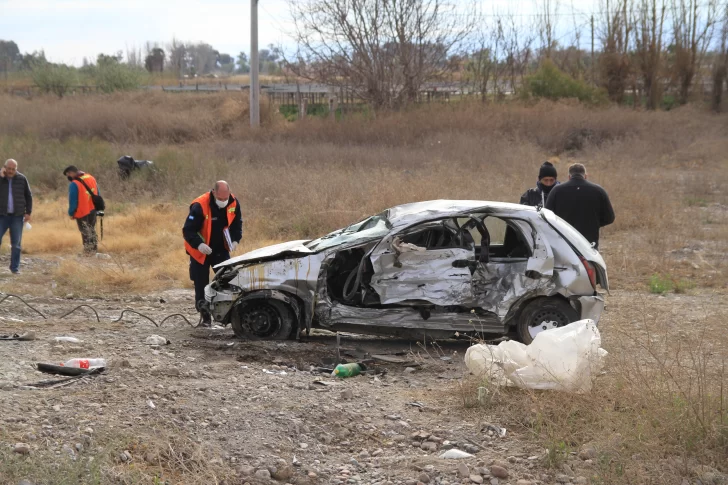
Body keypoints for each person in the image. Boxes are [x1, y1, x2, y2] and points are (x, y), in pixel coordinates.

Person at [183, 181, 243, 327]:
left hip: (220, 250)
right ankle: (205, 319)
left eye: (226, 198)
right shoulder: (199, 205)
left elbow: (237, 224)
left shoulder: (233, 202)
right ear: (214, 193)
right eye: (221, 199)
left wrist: (235, 240)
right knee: (201, 285)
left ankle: (229, 317)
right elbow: (188, 230)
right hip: (200, 252)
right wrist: (199, 244)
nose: (223, 202)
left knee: (228, 280)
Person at [545, 163, 615, 249]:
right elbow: (610, 218)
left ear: (569, 177)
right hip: (589, 242)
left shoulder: (556, 190)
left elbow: (547, 216)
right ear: (585, 176)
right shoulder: (598, 191)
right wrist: (594, 223)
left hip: (564, 241)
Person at [0, 159, 33, 274]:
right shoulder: (1, 178)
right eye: (8, 168)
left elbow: (28, 196)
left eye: (13, 169)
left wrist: (28, 212)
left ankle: (14, 269)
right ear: (4, 168)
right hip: (2, 216)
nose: (11, 171)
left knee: (16, 244)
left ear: (16, 169)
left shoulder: (22, 179)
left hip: (17, 216)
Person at [63, 165, 100, 255]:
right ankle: (94, 250)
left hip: (82, 211)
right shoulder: (91, 177)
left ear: (71, 173)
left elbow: (73, 200)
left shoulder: (74, 184)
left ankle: (87, 251)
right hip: (93, 208)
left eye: (68, 175)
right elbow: (98, 193)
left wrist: (71, 212)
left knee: (85, 230)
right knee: (92, 229)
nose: (68, 177)